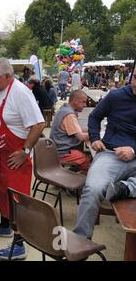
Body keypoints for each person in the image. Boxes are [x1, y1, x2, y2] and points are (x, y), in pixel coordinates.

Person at [0, 58, 45, 260]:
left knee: (17, 200)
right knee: (1, 195)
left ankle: (20, 245)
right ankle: (4, 227)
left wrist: (25, 151)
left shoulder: (21, 92)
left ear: (8, 76)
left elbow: (38, 124)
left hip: (15, 158)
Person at [73, 68, 136, 240]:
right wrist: (94, 138)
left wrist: (132, 150)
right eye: (135, 77)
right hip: (111, 154)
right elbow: (94, 117)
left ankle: (126, 188)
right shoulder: (116, 96)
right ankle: (80, 242)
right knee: (93, 189)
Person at [50, 90, 91, 172]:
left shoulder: (64, 109)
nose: (85, 105)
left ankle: (73, 172)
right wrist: (96, 133)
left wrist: (89, 129)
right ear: (75, 101)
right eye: (83, 102)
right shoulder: (69, 115)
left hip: (56, 149)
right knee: (90, 163)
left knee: (87, 155)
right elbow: (81, 137)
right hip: (63, 152)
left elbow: (75, 130)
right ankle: (80, 182)